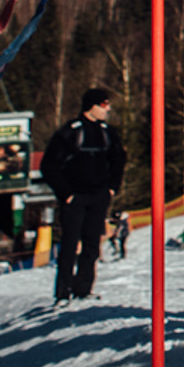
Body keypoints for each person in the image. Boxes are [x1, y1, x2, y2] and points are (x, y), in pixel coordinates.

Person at [40, 88, 125, 303]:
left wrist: (112, 188)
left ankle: (84, 288)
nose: (108, 109)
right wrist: (66, 194)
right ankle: (63, 292)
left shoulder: (107, 133)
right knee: (69, 244)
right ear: (92, 106)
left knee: (92, 245)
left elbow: (118, 160)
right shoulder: (70, 131)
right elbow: (49, 166)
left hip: (98, 196)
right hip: (75, 197)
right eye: (104, 104)